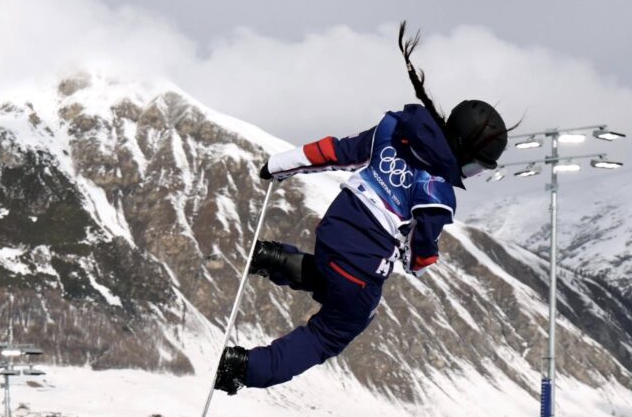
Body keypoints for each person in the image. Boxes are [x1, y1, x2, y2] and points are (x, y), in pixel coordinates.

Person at [214, 21, 511, 394]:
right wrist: (419, 262)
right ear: (465, 153)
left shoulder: (394, 132)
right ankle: (243, 368)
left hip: (333, 230)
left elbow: (336, 151)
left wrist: (281, 164)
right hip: (363, 264)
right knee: (334, 331)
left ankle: (275, 259)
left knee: (336, 281)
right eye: (477, 167)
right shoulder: (436, 191)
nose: (472, 174)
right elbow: (422, 251)